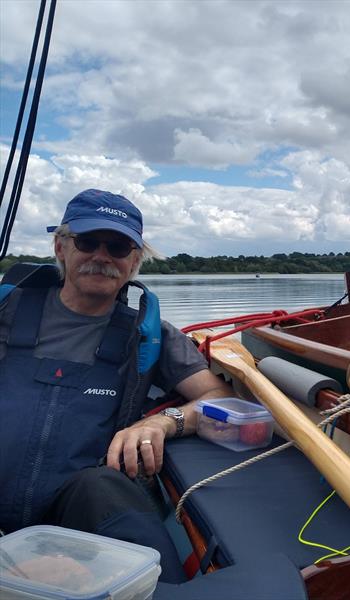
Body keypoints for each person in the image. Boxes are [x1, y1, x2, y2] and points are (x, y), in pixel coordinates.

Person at [0, 189, 234, 582]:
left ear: (135, 260)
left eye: (120, 247)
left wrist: (161, 423)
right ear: (60, 246)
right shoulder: (6, 311)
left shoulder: (148, 335)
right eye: (88, 241)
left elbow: (219, 397)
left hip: (77, 510)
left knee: (103, 485)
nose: (102, 256)